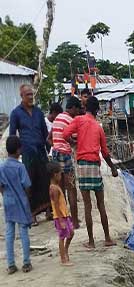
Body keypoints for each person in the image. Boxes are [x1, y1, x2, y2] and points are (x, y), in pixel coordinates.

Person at [62, 96, 118, 249]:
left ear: (85, 108)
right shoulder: (98, 127)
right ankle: (107, 238)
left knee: (87, 205)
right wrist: (113, 168)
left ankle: (91, 241)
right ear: (97, 111)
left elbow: (65, 133)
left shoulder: (79, 120)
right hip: (94, 165)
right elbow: (105, 153)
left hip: (82, 165)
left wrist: (74, 142)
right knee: (101, 204)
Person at [9, 84, 51, 224]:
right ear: (22, 96)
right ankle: (31, 214)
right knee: (29, 183)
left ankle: (48, 211)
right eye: (28, 95)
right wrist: (15, 152)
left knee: (45, 181)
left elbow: (45, 133)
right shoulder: (16, 113)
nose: (31, 97)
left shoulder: (39, 112)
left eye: (32, 94)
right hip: (27, 152)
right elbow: (12, 135)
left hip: (41, 151)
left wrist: (48, 147)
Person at [0, 136, 33, 274]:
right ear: (18, 149)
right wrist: (27, 197)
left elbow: (0, 186)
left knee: (9, 232)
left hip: (8, 200)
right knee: (24, 231)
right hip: (21, 200)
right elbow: (27, 185)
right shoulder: (20, 167)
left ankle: (11, 264)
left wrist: (5, 194)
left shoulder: (2, 166)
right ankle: (26, 262)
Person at [51, 97, 81, 228]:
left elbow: (49, 137)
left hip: (55, 154)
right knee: (72, 189)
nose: (78, 112)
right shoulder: (71, 120)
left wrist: (57, 145)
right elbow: (76, 139)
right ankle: (74, 222)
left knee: (60, 190)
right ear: (73, 108)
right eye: (78, 109)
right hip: (66, 155)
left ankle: (62, 219)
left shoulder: (57, 118)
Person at [48, 162, 74, 266]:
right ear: (55, 174)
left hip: (64, 215)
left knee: (71, 233)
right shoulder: (54, 188)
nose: (61, 176)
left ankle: (65, 250)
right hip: (60, 216)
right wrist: (61, 220)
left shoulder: (55, 186)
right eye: (60, 174)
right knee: (62, 237)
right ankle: (63, 259)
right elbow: (56, 206)